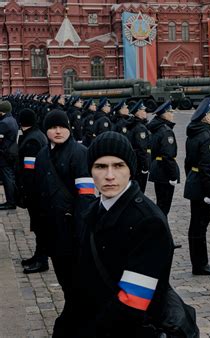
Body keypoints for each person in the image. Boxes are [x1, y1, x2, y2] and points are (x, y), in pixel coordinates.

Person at [72, 131, 174, 337]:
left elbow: (132, 302)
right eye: (100, 166)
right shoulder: (91, 211)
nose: (109, 175)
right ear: (91, 171)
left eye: (118, 166)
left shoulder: (148, 222)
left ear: (130, 170)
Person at [35, 109, 96, 336]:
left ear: (69, 128)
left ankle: (73, 326)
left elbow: (86, 197)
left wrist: (81, 233)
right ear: (46, 130)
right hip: (52, 232)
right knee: (65, 282)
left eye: (62, 127)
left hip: (74, 232)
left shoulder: (80, 153)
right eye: (52, 127)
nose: (57, 131)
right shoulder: (42, 155)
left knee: (77, 284)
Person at [184, 98, 210, 276]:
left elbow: (188, 162)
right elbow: (207, 168)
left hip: (195, 182)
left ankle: (198, 263)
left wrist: (191, 179)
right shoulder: (208, 138)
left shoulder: (194, 134)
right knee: (200, 226)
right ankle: (201, 264)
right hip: (203, 186)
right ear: (206, 119)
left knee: (196, 225)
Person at [16, 108, 49, 273]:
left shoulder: (31, 141)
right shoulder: (37, 135)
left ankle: (42, 260)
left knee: (39, 226)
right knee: (38, 225)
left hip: (35, 191)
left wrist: (26, 193)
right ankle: (38, 255)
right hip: (40, 190)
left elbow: (29, 172)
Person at [147, 101, 180, 217]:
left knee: (160, 202)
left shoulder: (156, 128)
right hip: (165, 171)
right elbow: (168, 155)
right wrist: (173, 176)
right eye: (171, 112)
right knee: (164, 206)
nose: (173, 114)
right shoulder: (166, 131)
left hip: (157, 168)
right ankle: (161, 230)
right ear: (165, 114)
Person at [128, 100, 151, 192]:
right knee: (140, 190)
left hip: (134, 162)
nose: (145, 112)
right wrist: (145, 166)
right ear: (138, 112)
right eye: (143, 110)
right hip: (139, 164)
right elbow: (142, 148)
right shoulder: (140, 128)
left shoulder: (132, 125)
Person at [0, 100, 19, 210]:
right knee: (9, 177)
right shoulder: (12, 120)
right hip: (10, 152)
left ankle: (11, 202)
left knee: (8, 178)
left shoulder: (4, 123)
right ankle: (12, 200)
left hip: (4, 153)